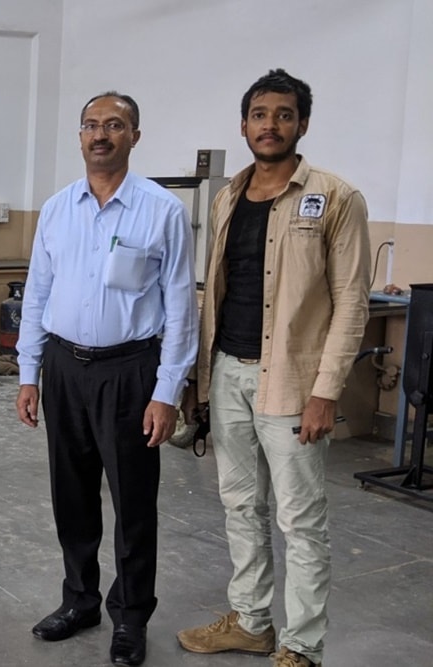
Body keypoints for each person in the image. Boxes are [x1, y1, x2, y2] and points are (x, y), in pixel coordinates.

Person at [176, 69, 369, 667]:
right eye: (260, 114)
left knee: (301, 520)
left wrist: (326, 392)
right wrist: (198, 380)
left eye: (283, 114)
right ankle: (253, 622)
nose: (270, 124)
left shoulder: (336, 197)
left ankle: (303, 645)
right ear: (244, 125)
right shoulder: (228, 195)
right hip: (228, 372)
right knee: (240, 506)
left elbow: (352, 302)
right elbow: (217, 292)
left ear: (301, 124)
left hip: (291, 383)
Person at [15, 92, 198, 666]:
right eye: (91, 125)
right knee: (71, 496)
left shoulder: (161, 210)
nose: (101, 135)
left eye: (114, 125)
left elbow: (179, 308)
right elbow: (38, 293)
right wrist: (28, 372)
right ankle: (80, 601)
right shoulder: (56, 208)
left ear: (134, 136)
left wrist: (167, 392)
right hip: (65, 369)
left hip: (130, 372)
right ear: (80, 136)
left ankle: (131, 615)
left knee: (133, 502)